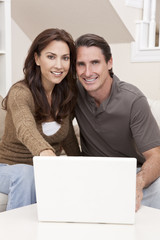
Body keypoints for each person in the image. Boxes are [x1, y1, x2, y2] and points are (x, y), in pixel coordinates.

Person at [75, 33, 160, 212]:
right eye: (81, 64)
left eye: (95, 63)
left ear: (110, 63)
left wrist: (138, 182)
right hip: (92, 174)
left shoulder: (133, 100)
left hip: (132, 174)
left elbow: (156, 156)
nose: (87, 72)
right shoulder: (73, 93)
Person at [0, 28, 80, 210]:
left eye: (65, 58)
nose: (59, 65)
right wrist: (46, 153)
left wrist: (81, 166)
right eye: (51, 57)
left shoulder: (67, 93)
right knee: (26, 173)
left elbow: (67, 138)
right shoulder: (20, 92)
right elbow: (24, 128)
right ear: (37, 59)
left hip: (43, 170)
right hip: (7, 166)